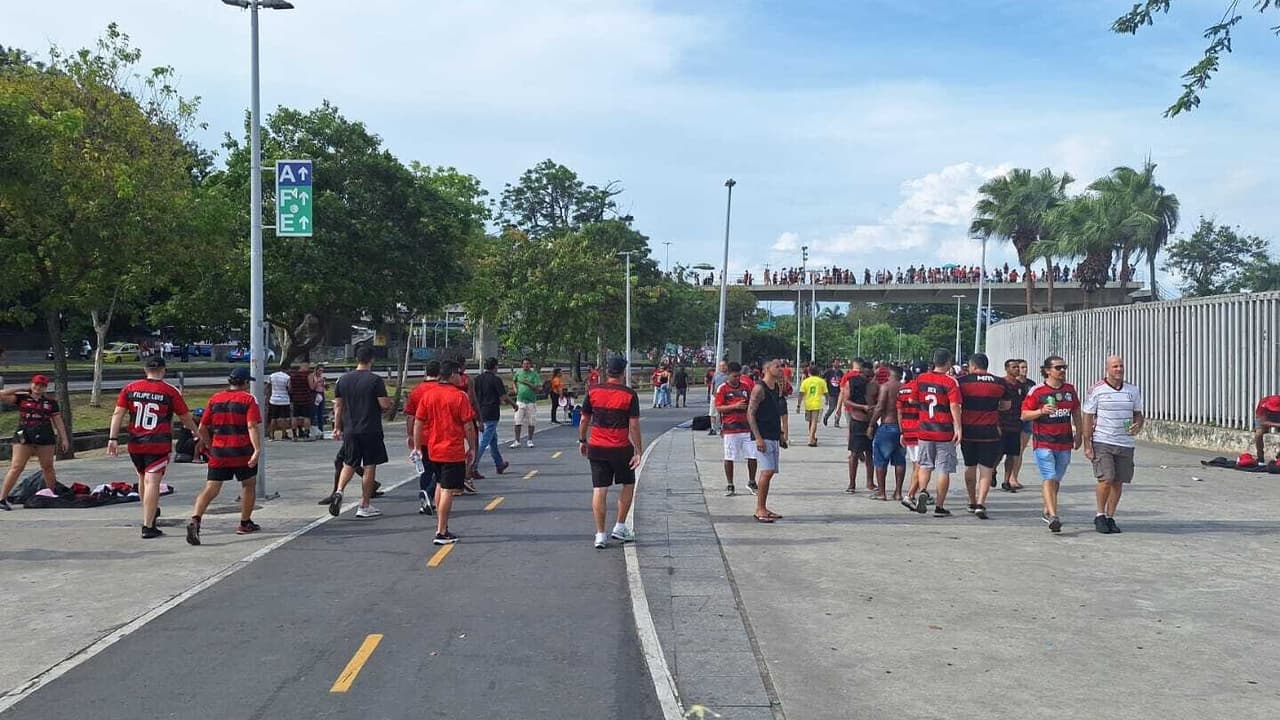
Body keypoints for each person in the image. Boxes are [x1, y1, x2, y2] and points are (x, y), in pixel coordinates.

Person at [108, 356, 201, 539]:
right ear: (163, 370)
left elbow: (118, 413)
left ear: (145, 370)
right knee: (153, 482)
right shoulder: (170, 391)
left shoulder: (130, 388)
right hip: (157, 441)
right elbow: (184, 416)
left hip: (135, 441)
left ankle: (148, 512)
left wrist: (113, 438)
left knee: (142, 477)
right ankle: (148, 525)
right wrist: (196, 431)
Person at [185, 367, 263, 545]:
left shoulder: (215, 399)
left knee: (211, 488)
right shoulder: (248, 400)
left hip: (220, 451)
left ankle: (196, 519)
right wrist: (257, 449)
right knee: (248, 485)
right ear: (245, 382)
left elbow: (203, 427)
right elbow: (251, 426)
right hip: (242, 450)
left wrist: (209, 445)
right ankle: (244, 523)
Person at [578, 356, 643, 549]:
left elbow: (584, 420)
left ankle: (600, 534)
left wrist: (582, 440)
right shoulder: (629, 394)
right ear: (623, 372)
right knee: (628, 484)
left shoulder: (593, 391)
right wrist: (638, 450)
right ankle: (620, 526)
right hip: (621, 448)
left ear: (608, 372)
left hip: (597, 447)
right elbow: (634, 426)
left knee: (600, 489)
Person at [412, 360, 478, 546]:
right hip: (452, 450)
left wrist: (417, 446)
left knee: (440, 484)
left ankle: (442, 526)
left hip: (433, 449)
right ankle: (441, 531)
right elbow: (468, 425)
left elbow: (418, 422)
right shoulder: (459, 396)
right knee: (448, 489)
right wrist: (472, 447)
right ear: (452, 375)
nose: (461, 378)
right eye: (459, 374)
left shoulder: (428, 395)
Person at [1082, 355, 1144, 534]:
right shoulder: (1097, 390)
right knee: (1106, 478)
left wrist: (1138, 425)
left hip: (1125, 442)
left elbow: (1138, 414)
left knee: (1118, 481)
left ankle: (1110, 516)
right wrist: (1087, 443)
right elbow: (1088, 416)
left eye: (1121, 366)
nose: (1119, 369)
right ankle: (1100, 514)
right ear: (1107, 369)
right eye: (1115, 366)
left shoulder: (1132, 390)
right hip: (1103, 440)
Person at [1021, 355, 1083, 533]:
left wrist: (1080, 434)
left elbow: (1076, 412)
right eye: (1058, 368)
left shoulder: (1070, 390)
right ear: (1048, 370)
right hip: (1043, 442)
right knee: (1049, 476)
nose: (1062, 370)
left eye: (1064, 367)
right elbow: (1024, 415)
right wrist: (1041, 411)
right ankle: (1054, 516)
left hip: (1064, 442)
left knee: (1056, 479)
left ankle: (1047, 508)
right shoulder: (1037, 391)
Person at [329, 345, 392, 519]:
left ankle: (339, 491)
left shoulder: (342, 380)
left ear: (357, 359)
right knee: (369, 466)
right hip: (370, 428)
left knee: (349, 463)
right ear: (372, 359)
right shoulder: (375, 380)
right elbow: (384, 404)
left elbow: (338, 406)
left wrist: (337, 427)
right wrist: (389, 404)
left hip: (350, 429)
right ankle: (364, 504)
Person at [0, 375, 71, 511]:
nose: (38, 388)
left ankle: (50, 494)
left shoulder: (50, 402)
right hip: (24, 436)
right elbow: (2, 394)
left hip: (45, 437)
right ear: (31, 384)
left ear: (46, 388)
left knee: (48, 467)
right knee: (16, 467)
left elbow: (58, 421)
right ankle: (2, 498)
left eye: (42, 386)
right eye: (36, 384)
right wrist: (21, 389)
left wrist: (64, 438)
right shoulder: (22, 398)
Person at [906, 349, 961, 517]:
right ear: (948, 362)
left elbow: (911, 399)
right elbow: (954, 405)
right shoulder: (950, 382)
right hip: (944, 431)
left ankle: (923, 490)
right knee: (944, 469)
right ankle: (939, 506)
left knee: (925, 465)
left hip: (925, 430)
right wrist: (958, 427)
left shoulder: (921, 378)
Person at [957, 353, 1004, 520]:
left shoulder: (962, 382)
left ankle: (971, 501)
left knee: (970, 466)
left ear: (973, 366)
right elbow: (1006, 405)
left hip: (968, 431)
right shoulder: (999, 383)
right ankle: (980, 503)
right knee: (986, 469)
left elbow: (956, 404)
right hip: (989, 431)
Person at [747, 359, 789, 523]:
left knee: (770, 472)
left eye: (781, 366)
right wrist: (758, 437)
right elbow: (750, 414)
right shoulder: (759, 388)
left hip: (773, 435)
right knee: (767, 471)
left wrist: (780, 434)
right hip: (762, 435)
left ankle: (763, 507)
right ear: (766, 369)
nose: (780, 369)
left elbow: (774, 412)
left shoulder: (776, 388)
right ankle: (760, 509)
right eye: (776, 366)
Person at [716, 362, 757, 497]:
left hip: (746, 428)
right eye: (734, 376)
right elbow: (719, 407)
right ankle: (730, 484)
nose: (737, 379)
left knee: (752, 456)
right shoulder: (722, 388)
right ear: (728, 375)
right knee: (729, 457)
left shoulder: (745, 387)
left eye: (739, 376)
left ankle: (752, 482)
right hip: (730, 429)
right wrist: (734, 406)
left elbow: (752, 404)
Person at [472, 357, 515, 481]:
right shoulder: (496, 380)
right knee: (484, 442)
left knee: (493, 440)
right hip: (491, 412)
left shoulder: (478, 379)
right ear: (495, 366)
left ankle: (499, 463)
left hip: (480, 411)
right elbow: (503, 396)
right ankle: (473, 466)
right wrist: (514, 404)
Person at [867, 365, 906, 501]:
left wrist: (871, 424)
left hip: (887, 426)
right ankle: (898, 492)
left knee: (881, 460)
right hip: (901, 428)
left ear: (890, 375)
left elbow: (880, 407)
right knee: (900, 461)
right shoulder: (905, 388)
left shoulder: (886, 387)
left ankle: (882, 492)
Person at [836, 358, 874, 493]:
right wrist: (862, 407)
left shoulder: (874, 385)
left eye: (871, 376)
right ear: (861, 372)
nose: (868, 379)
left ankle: (870, 482)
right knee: (854, 454)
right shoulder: (851, 382)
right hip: (857, 420)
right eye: (866, 376)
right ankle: (852, 483)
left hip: (870, 422)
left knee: (870, 453)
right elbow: (846, 401)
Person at [999, 359, 1029, 492]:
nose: (1017, 369)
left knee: (1012, 454)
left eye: (1018, 367)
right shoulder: (1001, 383)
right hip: (1002, 423)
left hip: (1015, 424)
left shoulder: (1021, 386)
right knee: (998, 453)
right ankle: (992, 471)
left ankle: (1007, 480)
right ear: (1007, 369)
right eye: (1014, 367)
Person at [895, 366, 921, 501]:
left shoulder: (901, 391)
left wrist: (901, 432)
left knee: (916, 463)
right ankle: (912, 494)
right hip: (920, 429)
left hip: (906, 429)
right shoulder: (919, 388)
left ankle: (918, 490)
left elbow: (899, 413)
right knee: (920, 465)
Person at [510, 358, 541, 448]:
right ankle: (517, 441)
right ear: (522, 365)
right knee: (517, 421)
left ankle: (530, 440)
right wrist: (515, 389)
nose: (526, 365)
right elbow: (514, 381)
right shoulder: (518, 373)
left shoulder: (534, 374)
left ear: (530, 365)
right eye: (524, 364)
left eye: (527, 364)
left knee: (531, 421)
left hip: (531, 401)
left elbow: (537, 388)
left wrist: (527, 383)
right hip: (520, 401)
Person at [799, 364, 827, 446]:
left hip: (808, 403)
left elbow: (801, 393)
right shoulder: (821, 381)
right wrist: (827, 400)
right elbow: (826, 392)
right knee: (814, 421)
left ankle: (812, 437)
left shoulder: (805, 381)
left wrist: (798, 405)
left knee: (810, 422)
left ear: (809, 372)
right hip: (817, 403)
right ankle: (811, 439)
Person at [288, 361, 315, 440]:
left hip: (296, 399)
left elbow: (289, 387)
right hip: (306, 398)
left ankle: (294, 435)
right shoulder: (308, 375)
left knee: (295, 416)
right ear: (305, 367)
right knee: (307, 417)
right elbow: (312, 387)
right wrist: (315, 382)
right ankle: (306, 434)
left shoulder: (293, 376)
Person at [266, 366, 292, 441]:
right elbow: (289, 389)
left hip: (274, 400)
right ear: (285, 369)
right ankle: (284, 434)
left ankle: (271, 435)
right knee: (284, 418)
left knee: (273, 418)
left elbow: (268, 387)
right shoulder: (287, 377)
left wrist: (267, 397)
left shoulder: (272, 376)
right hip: (284, 400)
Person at [1253, 393, 1280, 462]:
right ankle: (1260, 457)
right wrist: (1278, 425)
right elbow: (1263, 422)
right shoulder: (1263, 404)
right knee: (1258, 434)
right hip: (1264, 416)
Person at [822, 360, 843, 427]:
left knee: (838, 408)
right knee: (832, 407)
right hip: (831, 392)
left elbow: (843, 381)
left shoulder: (840, 372)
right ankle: (826, 417)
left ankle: (836, 422)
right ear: (833, 363)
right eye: (835, 362)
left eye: (838, 362)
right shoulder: (828, 372)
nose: (837, 364)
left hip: (839, 392)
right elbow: (823, 379)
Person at [310, 365, 327, 435]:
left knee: (321, 412)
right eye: (319, 370)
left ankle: (321, 429)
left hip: (321, 393)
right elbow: (312, 387)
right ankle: (314, 429)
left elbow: (324, 387)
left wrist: (324, 385)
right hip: (315, 394)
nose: (321, 372)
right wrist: (317, 381)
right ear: (316, 370)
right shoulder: (312, 377)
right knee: (314, 412)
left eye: (322, 371)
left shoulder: (322, 377)